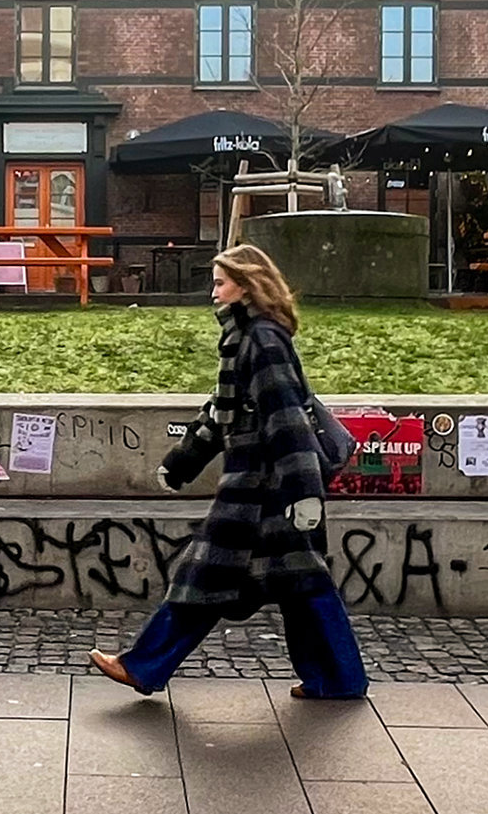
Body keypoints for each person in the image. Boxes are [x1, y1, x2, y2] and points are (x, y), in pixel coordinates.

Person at [89, 243, 367, 700]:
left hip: (262, 492)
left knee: (205, 577)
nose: (212, 291)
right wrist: (182, 463)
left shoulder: (262, 339)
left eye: (220, 282)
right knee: (302, 585)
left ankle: (143, 667)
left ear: (247, 285)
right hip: (263, 489)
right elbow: (222, 412)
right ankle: (339, 679)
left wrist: (303, 494)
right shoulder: (245, 336)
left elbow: (287, 418)